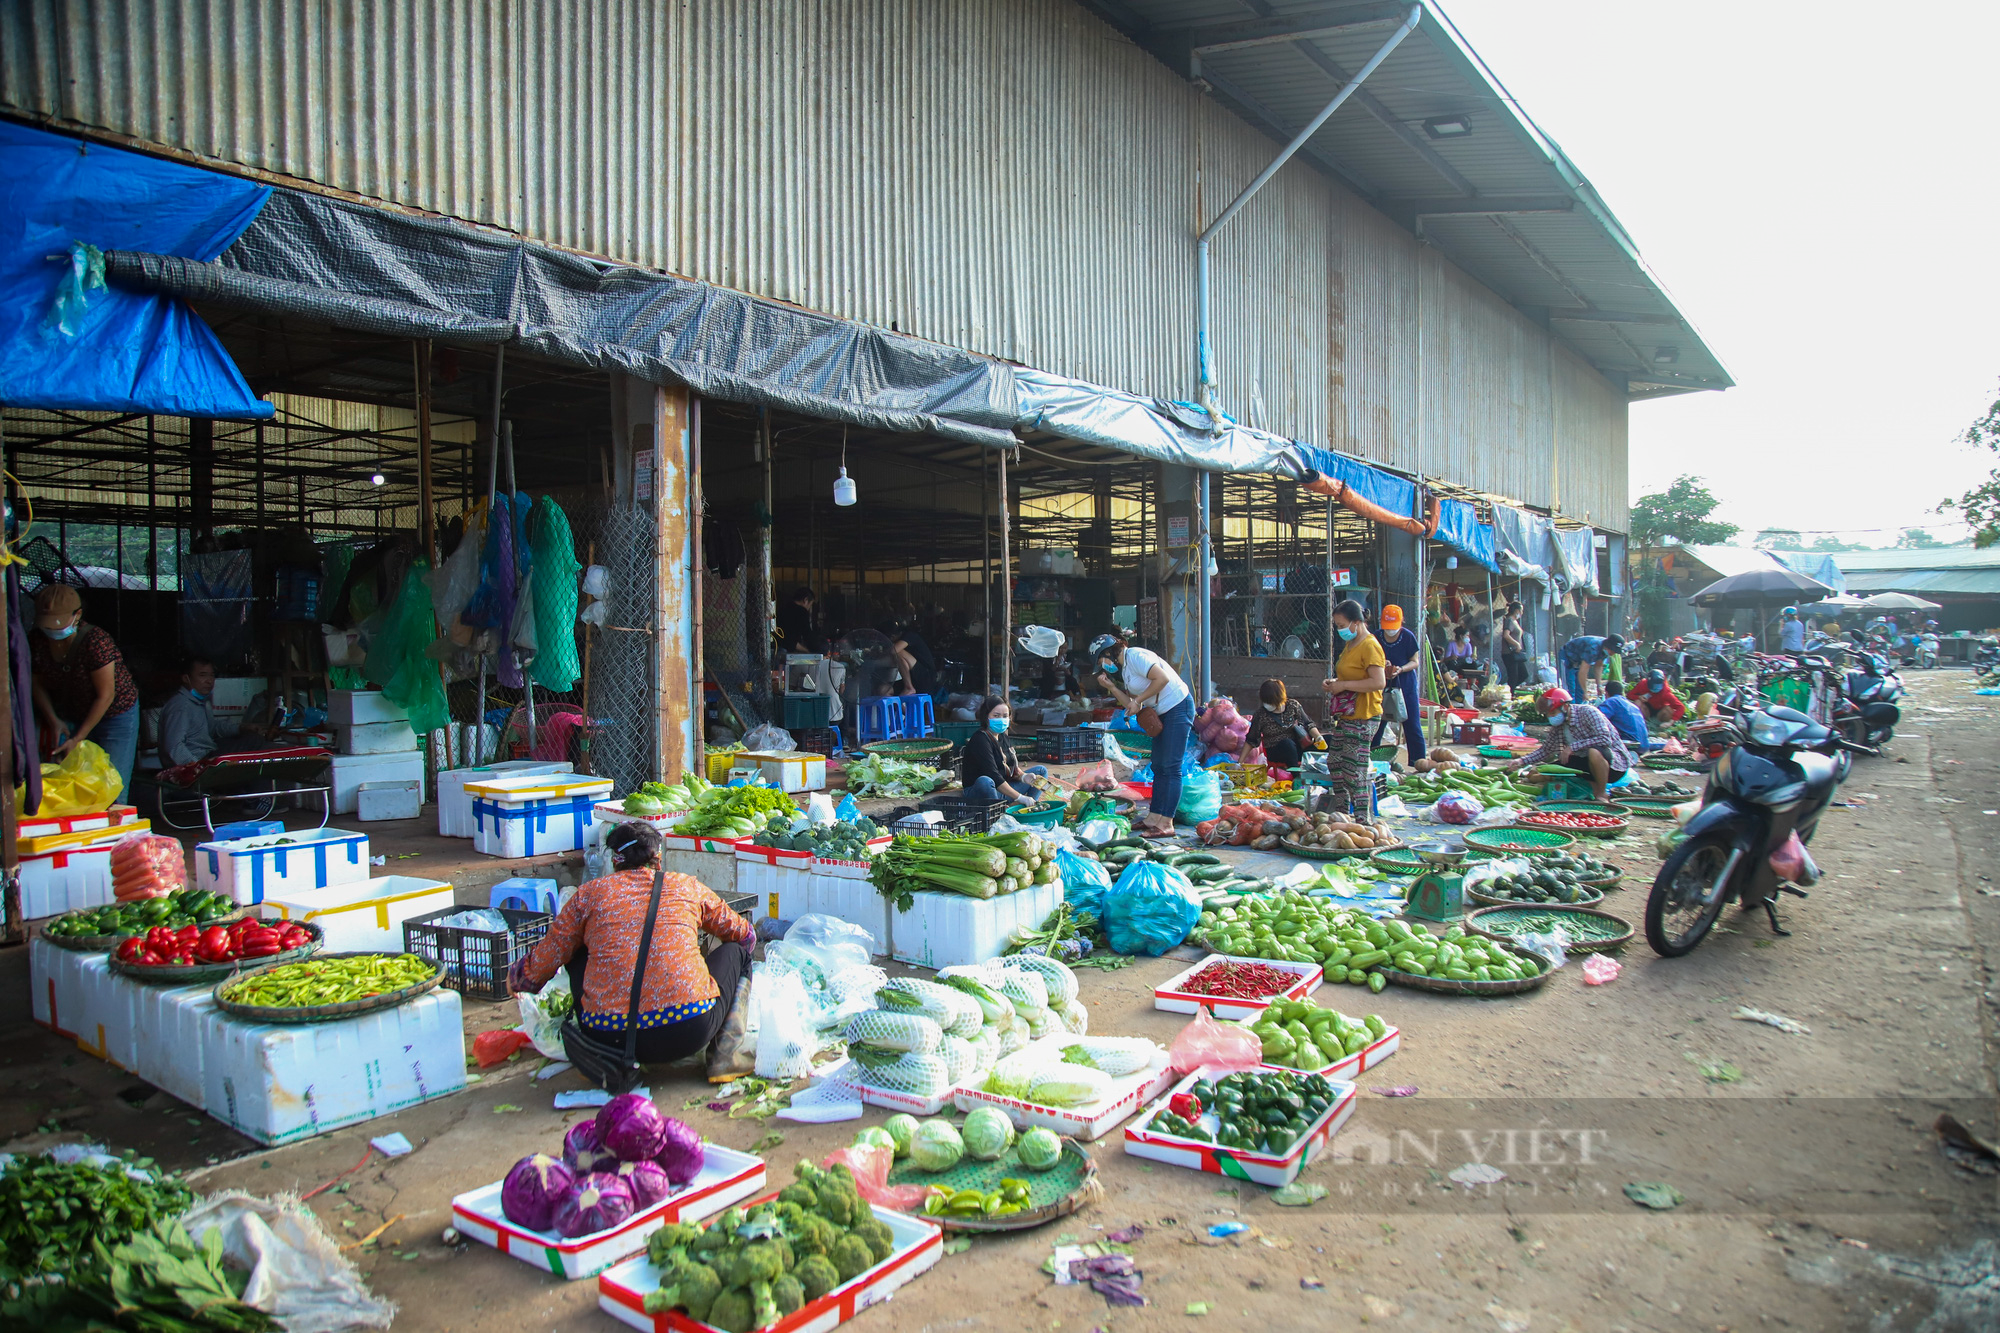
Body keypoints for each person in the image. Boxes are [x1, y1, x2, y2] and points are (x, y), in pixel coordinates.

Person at [509, 821, 754, 1068]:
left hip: (605, 1035)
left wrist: (520, 979)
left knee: (575, 946)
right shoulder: (686, 886)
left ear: (616, 861)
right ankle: (724, 1058)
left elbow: (548, 955)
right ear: (658, 860)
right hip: (687, 1029)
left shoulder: (588, 895)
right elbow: (744, 935)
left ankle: (604, 1058)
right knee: (738, 954)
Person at [28, 583, 140, 803]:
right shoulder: (36, 640)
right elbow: (36, 684)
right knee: (66, 782)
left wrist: (78, 738)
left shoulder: (96, 641)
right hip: (71, 711)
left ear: (77, 615)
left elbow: (105, 695)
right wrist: (53, 720)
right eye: (47, 624)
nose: (52, 630)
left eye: (58, 623)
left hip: (115, 714)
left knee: (112, 787)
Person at [1090, 632, 1193, 836]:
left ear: (1109, 652)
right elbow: (1131, 704)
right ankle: (1154, 817)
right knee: (1158, 765)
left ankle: (1166, 824)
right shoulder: (1126, 671)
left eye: (1102, 661)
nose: (1103, 666)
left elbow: (1161, 679)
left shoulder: (1135, 656)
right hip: (1163, 713)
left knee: (1171, 767)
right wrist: (1111, 687)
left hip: (1178, 707)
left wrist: (1139, 700)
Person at [1504, 687, 1632, 804]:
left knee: (1594, 752)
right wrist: (1521, 761)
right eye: (1548, 715)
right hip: (1585, 763)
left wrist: (1572, 747)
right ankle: (1592, 788)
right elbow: (1545, 751)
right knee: (1545, 770)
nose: (1550, 717)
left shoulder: (1588, 712)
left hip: (1612, 764)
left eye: (1552, 713)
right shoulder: (1559, 726)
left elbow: (1604, 739)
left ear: (1565, 707)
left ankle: (1602, 794)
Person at [1320, 600, 1386, 816]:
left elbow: (1378, 682)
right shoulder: (1351, 644)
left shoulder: (1370, 646)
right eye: (1337, 626)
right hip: (1347, 715)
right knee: (1335, 763)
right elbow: (1352, 675)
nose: (1339, 630)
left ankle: (1362, 820)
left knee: (1354, 770)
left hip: (1364, 716)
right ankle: (1342, 814)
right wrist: (1334, 683)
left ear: (1357, 622)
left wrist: (1344, 685)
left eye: (1342, 625)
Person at [156, 656, 273, 769]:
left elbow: (213, 729)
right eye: (203, 675)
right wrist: (198, 769)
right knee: (253, 742)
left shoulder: (200, 701)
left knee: (251, 738)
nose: (209, 681)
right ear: (186, 678)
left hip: (209, 752)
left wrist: (242, 728)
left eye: (212, 675)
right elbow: (174, 746)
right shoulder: (181, 706)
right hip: (198, 759)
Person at [960, 697, 1045, 805]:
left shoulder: (1002, 736)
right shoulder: (980, 739)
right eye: (996, 716)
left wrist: (1024, 777)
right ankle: (998, 811)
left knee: (1041, 771)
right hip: (982, 791)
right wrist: (1020, 797)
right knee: (985, 781)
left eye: (1005, 716)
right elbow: (993, 776)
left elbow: (1011, 767)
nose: (1001, 719)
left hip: (1002, 790)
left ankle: (1031, 806)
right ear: (986, 716)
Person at [1372, 604, 1425, 763]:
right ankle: (1371, 760)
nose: (1390, 630)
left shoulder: (1408, 637)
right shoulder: (1376, 637)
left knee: (1412, 724)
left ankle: (1418, 761)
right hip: (1381, 683)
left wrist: (1401, 669)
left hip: (1405, 684)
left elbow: (1415, 661)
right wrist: (1383, 664)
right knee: (1376, 724)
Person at [1244, 679, 1322, 768]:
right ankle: (1296, 776)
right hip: (1276, 751)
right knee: (1287, 744)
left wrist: (1319, 737)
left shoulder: (1292, 705)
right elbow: (1251, 740)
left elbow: (1308, 724)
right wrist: (1239, 762)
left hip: (1297, 747)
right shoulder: (1261, 714)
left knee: (1329, 739)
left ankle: (1323, 772)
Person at [1557, 633, 1623, 700]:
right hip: (1567, 656)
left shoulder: (1605, 651)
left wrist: (1599, 685)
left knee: (1580, 691)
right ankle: (1570, 707)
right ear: (1608, 646)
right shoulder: (1593, 648)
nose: (1613, 653)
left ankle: (1580, 707)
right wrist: (1585, 692)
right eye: (1613, 650)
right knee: (1570, 687)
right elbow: (1583, 671)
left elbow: (1598, 666)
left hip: (1579, 660)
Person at [884, 619, 937, 697]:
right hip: (912, 678)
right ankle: (901, 708)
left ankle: (908, 687)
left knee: (898, 653)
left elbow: (893, 651)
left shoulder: (910, 636)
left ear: (892, 636)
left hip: (926, 677)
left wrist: (880, 652)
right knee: (883, 690)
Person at [1596, 680, 1652, 752]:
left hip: (1631, 746)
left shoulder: (1611, 701)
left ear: (1606, 693)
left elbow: (1596, 718)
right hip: (1644, 746)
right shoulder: (1632, 705)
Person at [775, 587, 820, 653]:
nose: (809, 608)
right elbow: (807, 634)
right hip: (788, 649)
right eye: (810, 605)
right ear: (805, 600)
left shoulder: (782, 608)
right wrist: (815, 649)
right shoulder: (802, 612)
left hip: (777, 646)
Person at [1499, 601, 1528, 688]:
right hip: (1509, 653)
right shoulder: (1509, 621)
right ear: (1516, 611)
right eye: (1521, 610)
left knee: (1523, 674)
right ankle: (1510, 693)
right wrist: (1517, 644)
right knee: (1513, 676)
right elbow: (1506, 635)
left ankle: (1509, 689)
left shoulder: (1515, 621)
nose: (1522, 613)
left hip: (1516, 653)